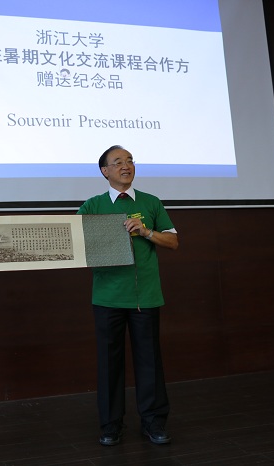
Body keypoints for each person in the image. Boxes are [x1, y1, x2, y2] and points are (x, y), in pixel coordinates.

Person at [76, 145, 178, 447]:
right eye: (118, 162)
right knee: (109, 364)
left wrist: (146, 232)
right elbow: (74, 241)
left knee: (149, 362)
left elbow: (173, 241)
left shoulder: (150, 202)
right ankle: (110, 425)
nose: (126, 166)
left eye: (130, 161)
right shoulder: (92, 205)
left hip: (144, 296)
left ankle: (154, 422)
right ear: (105, 171)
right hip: (107, 297)